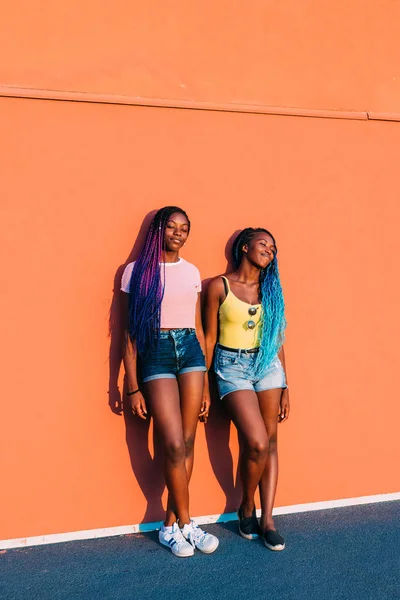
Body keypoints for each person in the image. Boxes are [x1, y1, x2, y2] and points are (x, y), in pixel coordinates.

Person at [120, 206, 219, 557]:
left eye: (184, 228)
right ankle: (188, 523)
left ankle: (170, 525)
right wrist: (130, 385)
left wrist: (206, 382)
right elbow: (129, 334)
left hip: (190, 351)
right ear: (158, 230)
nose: (178, 232)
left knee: (189, 442)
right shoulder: (136, 272)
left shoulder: (191, 271)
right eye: (171, 226)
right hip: (156, 352)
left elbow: (198, 326)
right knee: (174, 444)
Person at [204, 227, 290, 551]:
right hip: (231, 366)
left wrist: (286, 386)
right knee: (255, 442)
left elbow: (277, 338)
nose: (269, 249)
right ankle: (246, 505)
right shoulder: (219, 286)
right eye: (263, 243)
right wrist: (204, 383)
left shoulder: (271, 290)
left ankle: (267, 519)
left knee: (270, 442)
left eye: (273, 246)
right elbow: (209, 338)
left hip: (268, 365)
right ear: (244, 247)